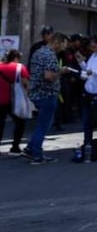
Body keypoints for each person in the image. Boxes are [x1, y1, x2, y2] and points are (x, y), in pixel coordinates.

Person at [26, 32, 71, 164]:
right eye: (64, 44)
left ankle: (31, 148)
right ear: (57, 42)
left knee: (43, 123)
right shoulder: (50, 55)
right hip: (47, 94)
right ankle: (37, 155)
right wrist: (61, 71)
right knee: (43, 125)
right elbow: (49, 76)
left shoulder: (39, 52)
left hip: (37, 93)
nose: (64, 48)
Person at [0, 50, 29, 154]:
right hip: (12, 100)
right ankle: (15, 147)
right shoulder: (20, 67)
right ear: (16, 58)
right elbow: (25, 84)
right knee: (20, 122)